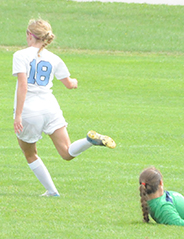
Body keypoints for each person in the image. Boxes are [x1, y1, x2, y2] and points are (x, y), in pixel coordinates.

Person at [12, 18, 116, 197]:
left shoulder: (20, 55)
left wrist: (18, 115)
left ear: (30, 35)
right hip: (50, 107)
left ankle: (52, 191)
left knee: (30, 153)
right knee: (67, 152)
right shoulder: (54, 59)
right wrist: (75, 82)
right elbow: (69, 84)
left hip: (30, 111)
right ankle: (89, 141)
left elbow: (23, 85)